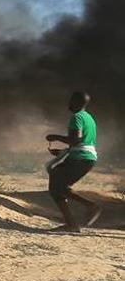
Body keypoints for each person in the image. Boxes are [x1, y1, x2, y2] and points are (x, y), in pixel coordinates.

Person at [45, 91, 100, 232]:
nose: (69, 103)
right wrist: (63, 152)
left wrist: (55, 136)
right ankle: (73, 222)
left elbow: (76, 140)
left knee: (56, 185)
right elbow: (81, 142)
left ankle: (85, 211)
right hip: (85, 157)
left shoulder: (76, 117)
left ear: (76, 102)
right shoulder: (89, 118)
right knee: (57, 186)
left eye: (71, 100)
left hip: (81, 158)